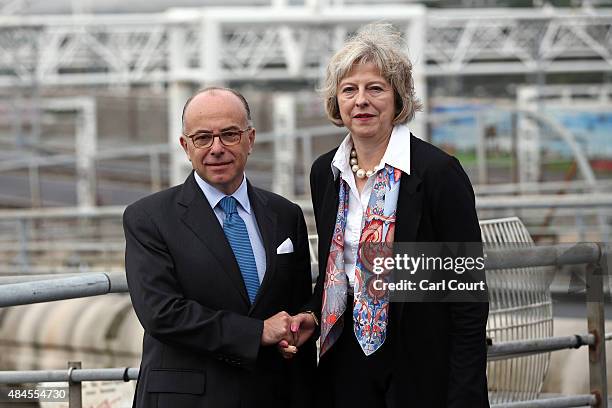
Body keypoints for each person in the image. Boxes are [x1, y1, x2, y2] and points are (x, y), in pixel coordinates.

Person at [281, 23, 490, 407]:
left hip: (419, 362)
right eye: (349, 89)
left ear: (398, 98)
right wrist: (312, 312)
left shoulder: (436, 173)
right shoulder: (326, 172)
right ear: (336, 101)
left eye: (375, 88)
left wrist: (465, 395)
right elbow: (337, 271)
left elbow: (467, 297)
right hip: (342, 358)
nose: (361, 100)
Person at [124, 87, 316, 408]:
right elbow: (161, 313)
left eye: (229, 134)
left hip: (272, 394)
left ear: (250, 139)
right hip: (188, 399)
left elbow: (295, 300)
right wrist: (256, 333)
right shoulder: (148, 218)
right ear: (186, 147)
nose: (216, 148)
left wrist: (303, 319)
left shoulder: (286, 215)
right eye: (202, 138)